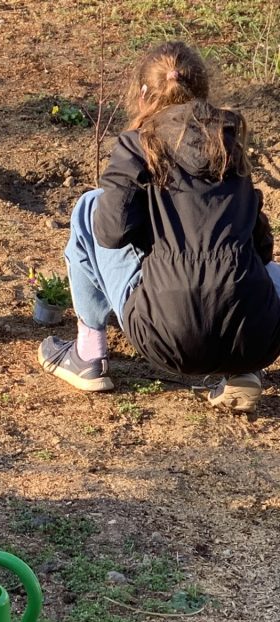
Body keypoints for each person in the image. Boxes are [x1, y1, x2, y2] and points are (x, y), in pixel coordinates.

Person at [39, 41, 280, 412]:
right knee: (261, 273)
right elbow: (262, 247)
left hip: (166, 335)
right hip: (257, 335)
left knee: (90, 206)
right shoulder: (229, 146)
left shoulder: (137, 146)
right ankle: (242, 369)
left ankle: (88, 355)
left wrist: (151, 231)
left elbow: (110, 232)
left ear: (142, 94)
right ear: (202, 91)